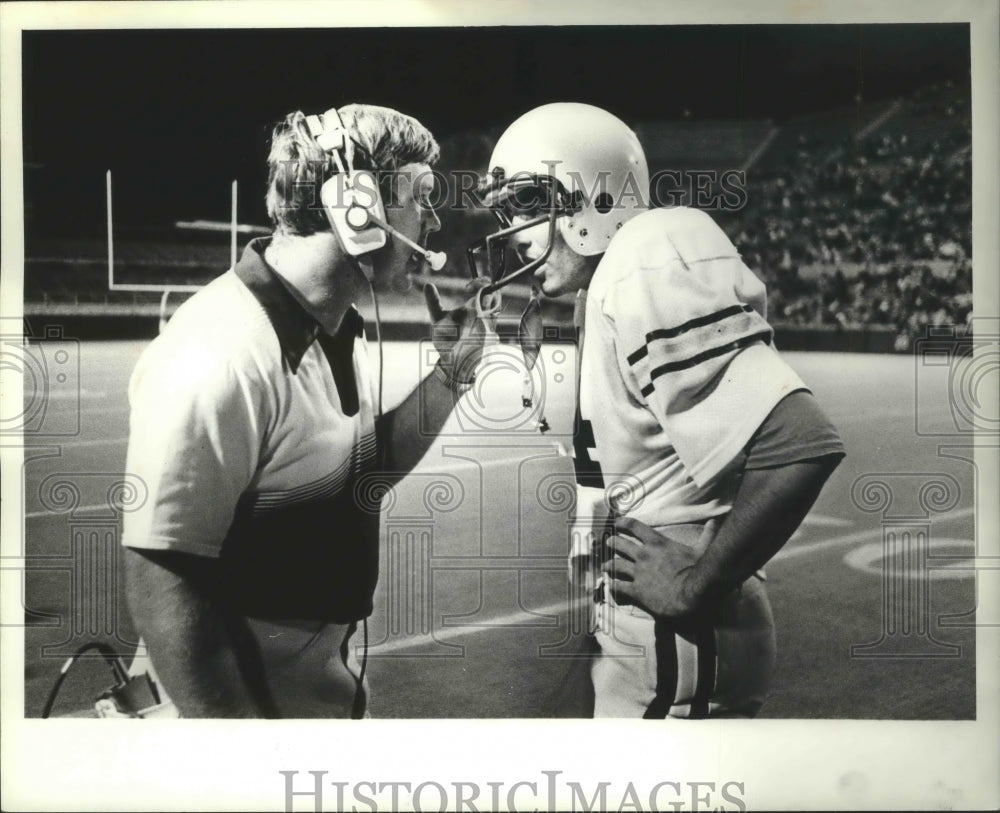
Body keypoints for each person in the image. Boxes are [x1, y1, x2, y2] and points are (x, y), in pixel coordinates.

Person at [471, 103, 845, 718]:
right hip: (647, 641)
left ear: (586, 200)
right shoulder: (609, 282)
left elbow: (801, 442)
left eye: (526, 206)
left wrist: (694, 584)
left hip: (678, 642)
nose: (513, 232)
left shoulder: (648, 254)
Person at [122, 104, 493, 718]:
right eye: (419, 195)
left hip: (312, 681)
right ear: (359, 205)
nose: (430, 219)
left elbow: (360, 473)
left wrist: (452, 374)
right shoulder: (224, 347)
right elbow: (163, 570)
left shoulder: (332, 323)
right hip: (233, 701)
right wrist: (237, 749)